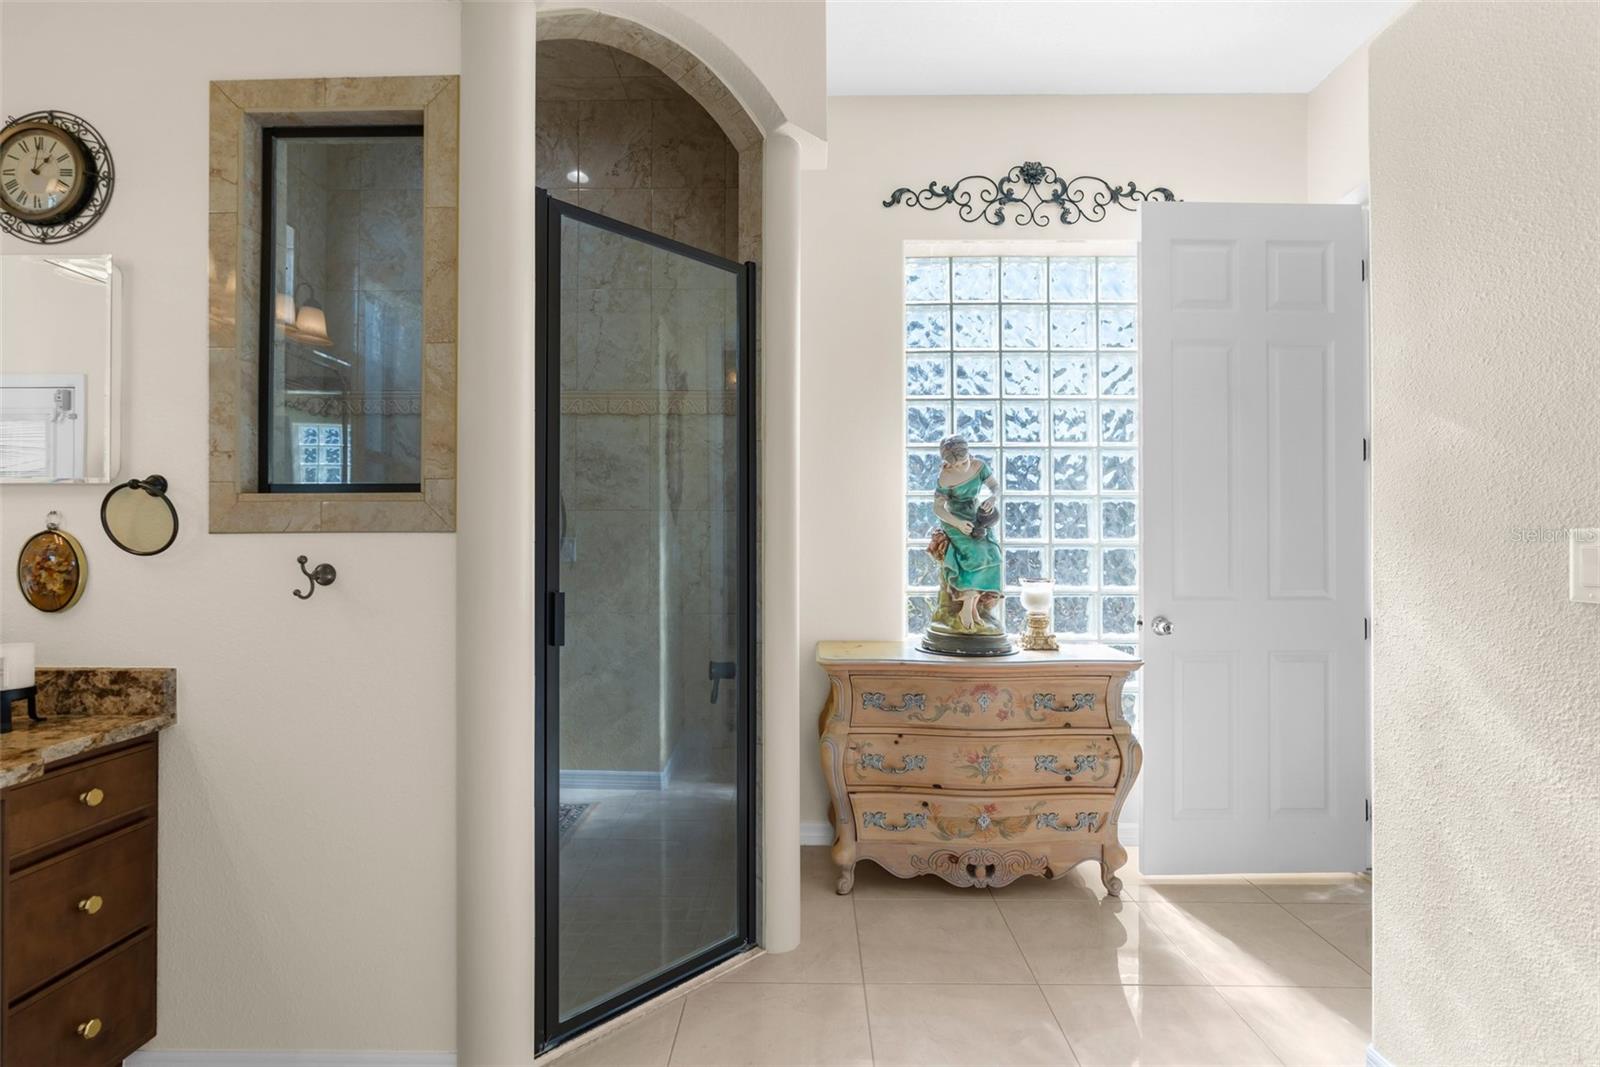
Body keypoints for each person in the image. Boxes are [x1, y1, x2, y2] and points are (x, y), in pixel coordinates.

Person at [929, 434, 1003, 633]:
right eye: (958, 464)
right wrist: (959, 524)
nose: (962, 466)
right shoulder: (945, 477)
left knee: (993, 554)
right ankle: (965, 611)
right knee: (973, 554)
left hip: (975, 514)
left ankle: (972, 610)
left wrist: (992, 499)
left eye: (965, 461)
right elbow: (938, 508)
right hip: (954, 519)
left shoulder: (979, 466)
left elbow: (995, 486)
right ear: (947, 463)